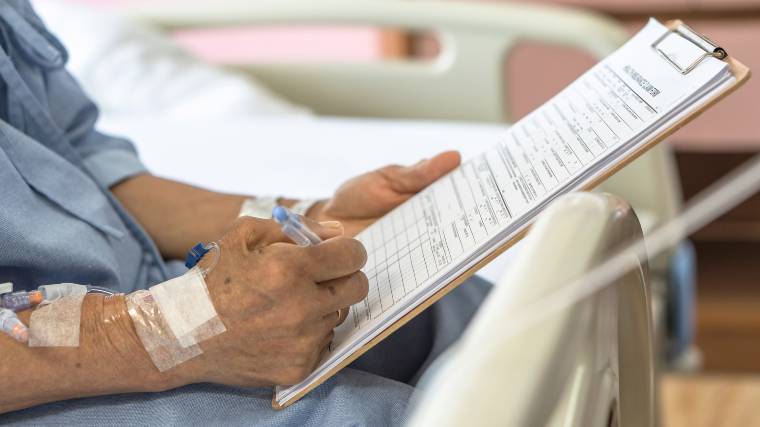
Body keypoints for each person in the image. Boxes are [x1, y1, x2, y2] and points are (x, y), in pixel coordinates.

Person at [0, 1, 490, 425]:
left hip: (133, 294)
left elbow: (82, 174)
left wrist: (313, 219)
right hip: (36, 375)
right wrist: (173, 327)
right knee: (380, 417)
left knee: (445, 304)